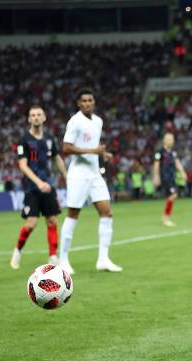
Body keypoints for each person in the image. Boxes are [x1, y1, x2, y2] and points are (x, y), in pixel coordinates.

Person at [58, 88, 122, 274]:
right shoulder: (75, 122)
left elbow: (92, 146)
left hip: (95, 174)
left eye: (90, 100)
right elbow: (66, 149)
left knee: (107, 213)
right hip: (78, 174)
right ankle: (63, 259)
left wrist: (102, 153)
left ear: (94, 102)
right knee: (73, 214)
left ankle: (103, 259)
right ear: (78, 104)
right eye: (83, 101)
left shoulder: (98, 121)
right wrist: (93, 151)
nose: (87, 103)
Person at [10, 105, 67, 269]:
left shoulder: (49, 138)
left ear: (44, 118)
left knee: (52, 221)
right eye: (32, 115)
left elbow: (57, 158)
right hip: (32, 188)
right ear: (29, 119)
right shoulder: (24, 140)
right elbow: (23, 165)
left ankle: (53, 257)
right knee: (31, 224)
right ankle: (17, 251)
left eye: (38, 115)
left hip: (48, 186)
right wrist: (38, 182)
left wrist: (66, 175)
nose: (35, 117)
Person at [153, 132, 187, 227]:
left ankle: (165, 217)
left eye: (172, 139)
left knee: (172, 196)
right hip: (165, 177)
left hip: (172, 177)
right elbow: (156, 165)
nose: (172, 141)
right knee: (173, 195)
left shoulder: (173, 152)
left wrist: (182, 172)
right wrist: (156, 176)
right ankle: (166, 218)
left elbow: (177, 163)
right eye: (170, 139)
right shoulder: (160, 152)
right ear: (165, 140)